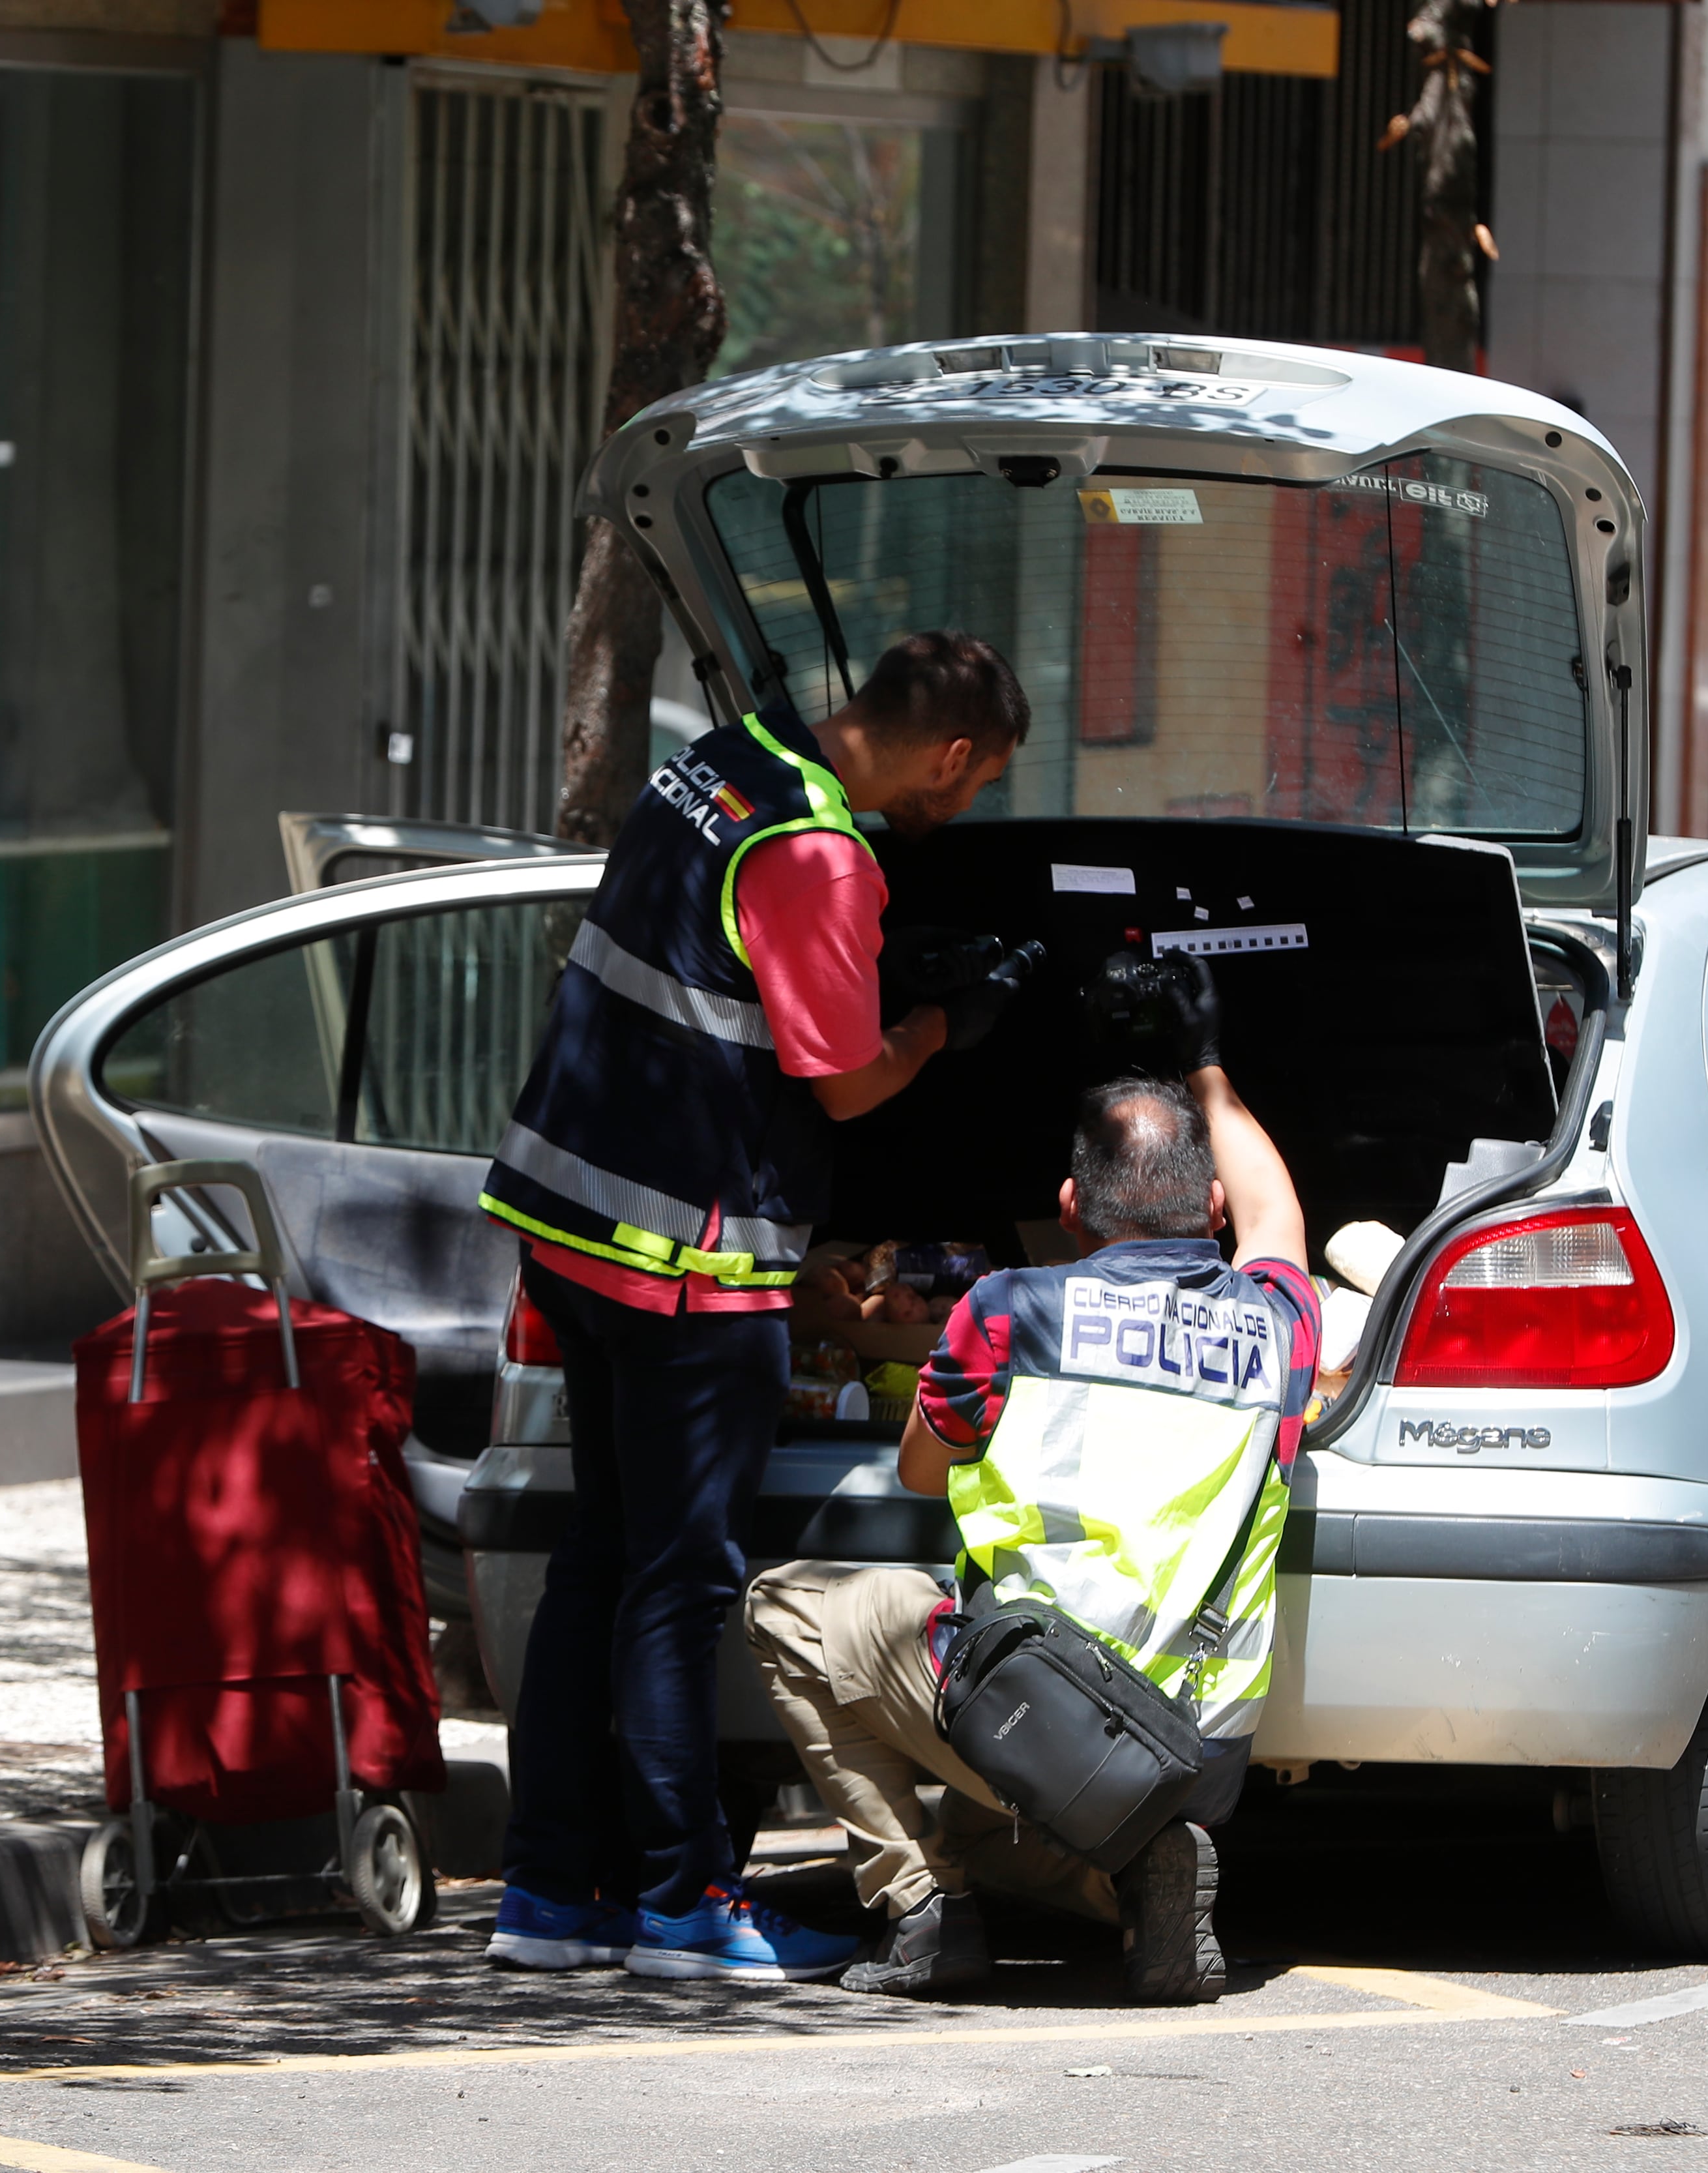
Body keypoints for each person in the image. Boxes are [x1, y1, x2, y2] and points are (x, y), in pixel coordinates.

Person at [477, 632, 1038, 1983]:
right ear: (950, 754)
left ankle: (551, 1888)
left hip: (569, 1226)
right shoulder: (818, 852)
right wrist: (948, 1024)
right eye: (973, 787)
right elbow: (842, 1080)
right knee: (681, 1583)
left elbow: (708, 994)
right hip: (687, 1270)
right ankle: (683, 1901)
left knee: (596, 1564)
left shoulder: (713, 771)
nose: (959, 813)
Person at [744, 1067, 1319, 2002]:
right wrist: (1209, 1067)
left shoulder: (1010, 1310)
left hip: (1053, 1725)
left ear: (1068, 1206)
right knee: (994, 1821)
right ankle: (1136, 1874)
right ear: (1212, 1204)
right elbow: (1280, 1212)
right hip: (1198, 1757)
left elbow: (920, 1471)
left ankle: (921, 1912)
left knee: (785, 1607)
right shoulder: (1277, 1325)